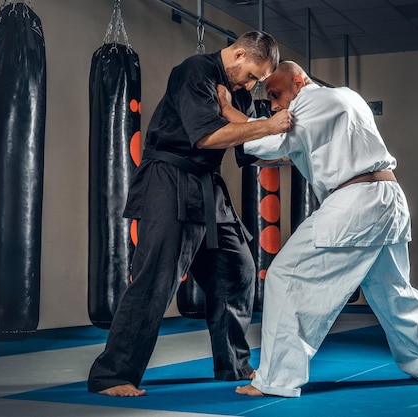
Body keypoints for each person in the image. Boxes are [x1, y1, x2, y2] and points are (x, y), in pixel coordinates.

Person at [217, 61, 418, 398]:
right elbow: (287, 151)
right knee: (394, 292)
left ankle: (275, 379)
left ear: (299, 83)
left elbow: (263, 140)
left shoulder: (308, 105)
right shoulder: (346, 98)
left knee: (284, 277)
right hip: (389, 198)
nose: (273, 105)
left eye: (276, 94)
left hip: (355, 202)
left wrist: (227, 109)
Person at [87, 31, 294, 397]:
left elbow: (246, 148)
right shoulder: (194, 71)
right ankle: (112, 374)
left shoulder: (240, 92)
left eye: (257, 82)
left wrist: (297, 147)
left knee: (238, 270)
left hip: (206, 188)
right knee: (157, 278)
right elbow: (205, 137)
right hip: (168, 181)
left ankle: (233, 363)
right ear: (240, 53)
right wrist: (267, 124)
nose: (251, 85)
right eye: (251, 75)